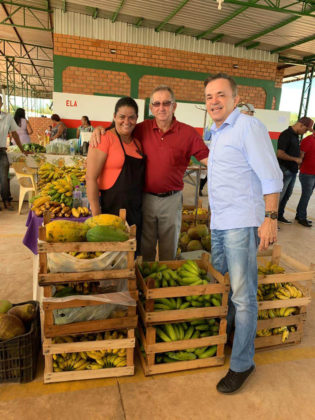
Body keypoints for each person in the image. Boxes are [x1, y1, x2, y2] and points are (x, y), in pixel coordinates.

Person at [204, 73, 283, 394]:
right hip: (220, 223)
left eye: (221, 95)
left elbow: (271, 175)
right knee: (226, 288)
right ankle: (230, 340)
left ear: (235, 99)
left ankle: (242, 363)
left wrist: (270, 218)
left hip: (241, 223)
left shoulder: (248, 127)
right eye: (209, 97)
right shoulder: (217, 132)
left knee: (243, 296)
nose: (214, 101)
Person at [90, 86, 209, 261]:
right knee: (145, 248)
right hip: (145, 200)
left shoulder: (188, 133)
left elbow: (209, 160)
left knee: (169, 250)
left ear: (174, 106)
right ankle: (147, 285)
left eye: (167, 103)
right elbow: (120, 127)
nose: (162, 108)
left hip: (172, 199)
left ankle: (163, 284)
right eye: (157, 103)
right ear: (151, 108)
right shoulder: (141, 128)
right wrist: (99, 129)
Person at [86, 97, 145, 249]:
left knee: (132, 254)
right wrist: (96, 216)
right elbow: (91, 178)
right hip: (110, 211)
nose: (127, 121)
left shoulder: (138, 143)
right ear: (114, 117)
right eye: (122, 117)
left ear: (137, 119)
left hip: (135, 212)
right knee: (113, 257)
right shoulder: (104, 138)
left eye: (131, 117)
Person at [277, 116, 314, 224]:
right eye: (305, 129)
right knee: (279, 197)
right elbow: (279, 153)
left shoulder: (295, 136)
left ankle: (279, 216)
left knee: (287, 196)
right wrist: (295, 159)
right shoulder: (286, 135)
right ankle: (271, 220)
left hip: (292, 171)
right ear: (300, 125)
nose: (305, 132)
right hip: (285, 170)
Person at [0, 95, 30, 211]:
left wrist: (22, 150)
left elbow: (15, 134)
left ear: (1, 104)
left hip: (2, 151)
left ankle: (7, 200)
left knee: (4, 178)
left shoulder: (7, 117)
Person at [295, 122, 315, 227]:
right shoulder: (308, 140)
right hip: (307, 173)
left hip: (313, 173)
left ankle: (299, 215)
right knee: (306, 196)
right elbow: (301, 156)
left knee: (307, 195)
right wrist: (299, 167)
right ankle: (301, 217)